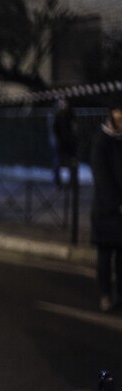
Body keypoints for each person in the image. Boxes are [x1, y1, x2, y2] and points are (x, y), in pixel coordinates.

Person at [90, 105, 122, 312]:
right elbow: (102, 179)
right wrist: (117, 204)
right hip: (106, 211)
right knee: (105, 256)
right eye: (118, 117)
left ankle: (119, 295)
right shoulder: (101, 142)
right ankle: (105, 295)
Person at [51, 98, 77, 187]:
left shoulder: (70, 114)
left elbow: (74, 127)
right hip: (61, 142)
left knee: (71, 162)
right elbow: (55, 129)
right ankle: (58, 182)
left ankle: (72, 182)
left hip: (69, 142)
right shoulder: (58, 115)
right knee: (58, 162)